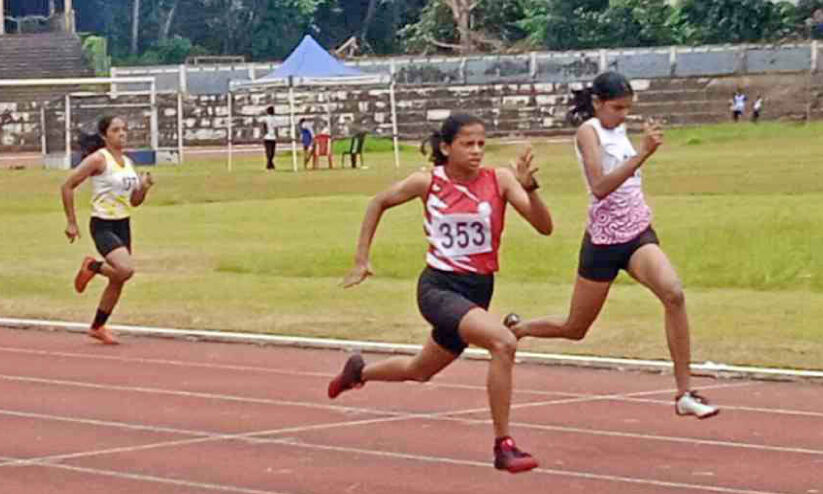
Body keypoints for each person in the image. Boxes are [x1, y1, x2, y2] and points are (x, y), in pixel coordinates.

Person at [328, 113, 554, 474]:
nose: (477, 151)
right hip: (438, 288)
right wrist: (361, 259)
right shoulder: (427, 182)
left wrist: (530, 189)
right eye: (467, 144)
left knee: (420, 370)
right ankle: (504, 445)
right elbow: (378, 202)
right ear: (446, 147)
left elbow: (545, 227)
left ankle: (359, 373)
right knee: (502, 342)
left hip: (478, 291)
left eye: (481, 143)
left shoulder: (501, 180)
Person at [506, 72, 719, 419]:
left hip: (636, 233)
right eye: (617, 108)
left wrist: (639, 155)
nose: (623, 115)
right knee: (575, 328)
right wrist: (643, 155)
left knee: (674, 294)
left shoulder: (618, 130)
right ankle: (518, 329)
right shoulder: (587, 132)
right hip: (604, 242)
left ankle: (684, 393)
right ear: (597, 103)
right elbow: (601, 186)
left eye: (628, 109)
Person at [60, 116, 154, 345]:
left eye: (124, 129)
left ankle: (97, 326)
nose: (122, 133)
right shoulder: (98, 159)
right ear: (105, 135)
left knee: (119, 279)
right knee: (125, 270)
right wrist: (71, 222)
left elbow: (134, 202)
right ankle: (92, 266)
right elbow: (67, 186)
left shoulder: (129, 163)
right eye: (116, 130)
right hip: (102, 224)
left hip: (123, 224)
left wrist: (143, 188)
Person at [262, 106, 277, 170]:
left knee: (269, 151)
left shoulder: (269, 119)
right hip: (270, 136)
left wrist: (264, 133)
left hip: (269, 136)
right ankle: (270, 164)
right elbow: (275, 128)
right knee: (271, 152)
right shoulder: (272, 119)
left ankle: (269, 164)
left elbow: (264, 126)